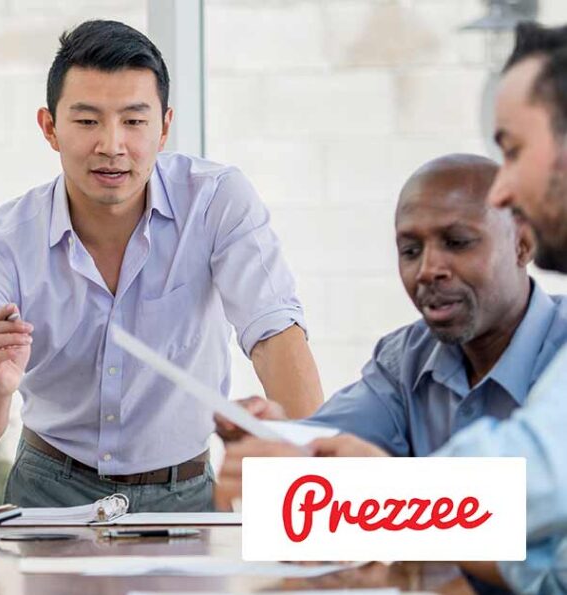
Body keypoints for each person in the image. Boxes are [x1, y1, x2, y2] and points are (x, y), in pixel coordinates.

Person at [218, 24, 567, 591]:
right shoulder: (407, 357)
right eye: (410, 249)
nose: (504, 190)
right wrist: (285, 450)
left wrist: (372, 491)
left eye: (514, 151)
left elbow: (538, 479)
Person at [0, 19, 322, 511]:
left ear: (164, 127)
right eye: (87, 121)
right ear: (49, 128)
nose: (112, 145)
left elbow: (274, 333)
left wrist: (320, 479)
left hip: (187, 493)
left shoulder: (215, 202)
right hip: (49, 491)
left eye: (134, 121)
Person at [214, 154, 566, 460]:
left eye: (457, 243)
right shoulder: (406, 360)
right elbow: (323, 446)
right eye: (410, 251)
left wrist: (391, 478)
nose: (428, 270)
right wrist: (275, 435)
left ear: (522, 245)